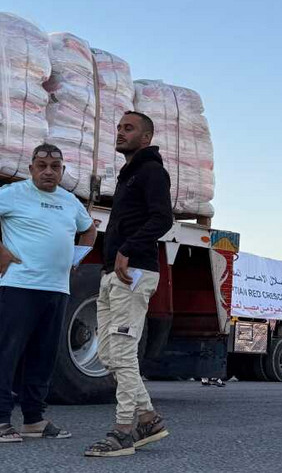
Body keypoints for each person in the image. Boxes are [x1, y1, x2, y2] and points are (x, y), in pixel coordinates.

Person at [0, 143, 97, 443]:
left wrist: (76, 258)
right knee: (7, 354)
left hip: (56, 289)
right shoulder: (15, 193)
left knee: (43, 356)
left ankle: (34, 420)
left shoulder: (70, 201)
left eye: (55, 166)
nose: (49, 171)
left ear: (63, 170)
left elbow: (89, 230)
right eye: (42, 165)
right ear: (31, 168)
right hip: (19, 286)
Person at [85, 111, 174, 457]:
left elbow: (162, 218)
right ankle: (149, 418)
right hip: (114, 274)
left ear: (146, 137)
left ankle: (124, 431)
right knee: (108, 355)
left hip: (134, 272)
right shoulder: (128, 175)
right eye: (119, 127)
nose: (120, 133)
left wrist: (127, 248)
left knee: (122, 352)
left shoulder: (152, 172)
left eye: (129, 128)